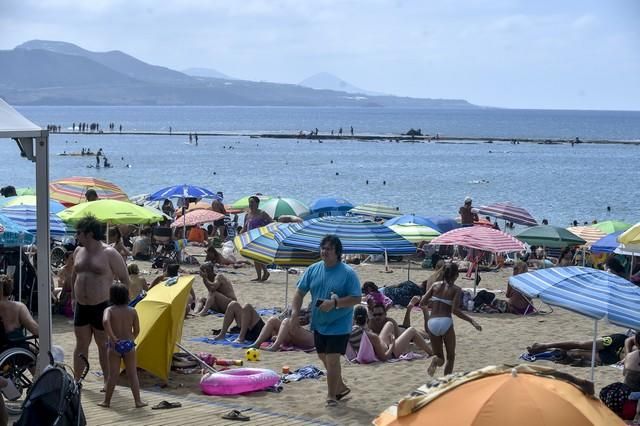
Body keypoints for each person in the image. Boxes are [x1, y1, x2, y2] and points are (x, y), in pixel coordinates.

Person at [290, 235, 361, 407]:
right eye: (323, 248)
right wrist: (294, 314)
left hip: (340, 324)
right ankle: (341, 386)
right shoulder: (313, 269)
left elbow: (357, 298)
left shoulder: (348, 273)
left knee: (332, 359)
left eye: (329, 249)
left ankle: (331, 396)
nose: (324, 251)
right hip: (319, 323)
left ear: (337, 252)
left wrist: (335, 303)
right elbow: (299, 293)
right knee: (322, 356)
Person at [72, 216, 131, 383]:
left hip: (102, 305)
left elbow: (125, 279)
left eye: (79, 232)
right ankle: (77, 380)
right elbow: (74, 275)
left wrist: (119, 305)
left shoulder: (109, 253)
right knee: (81, 344)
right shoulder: (78, 251)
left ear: (89, 233)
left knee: (103, 344)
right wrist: (71, 296)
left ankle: (107, 381)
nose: (77, 236)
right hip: (82, 305)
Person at [420, 263, 482, 376]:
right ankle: (446, 382)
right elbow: (455, 310)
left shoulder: (435, 285)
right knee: (451, 357)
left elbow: (422, 302)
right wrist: (471, 321)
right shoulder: (456, 290)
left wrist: (435, 303)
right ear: (456, 275)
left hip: (432, 322)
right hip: (445, 321)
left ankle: (435, 360)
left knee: (440, 358)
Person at [98, 283, 146, 408]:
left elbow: (105, 321)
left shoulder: (109, 310)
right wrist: (132, 339)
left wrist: (113, 337)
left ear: (112, 296)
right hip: (129, 344)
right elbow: (137, 329)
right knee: (132, 374)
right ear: (126, 296)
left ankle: (106, 401)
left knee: (113, 374)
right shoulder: (132, 311)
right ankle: (138, 401)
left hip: (115, 345)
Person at [349, 306, 432, 361]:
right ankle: (431, 353)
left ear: (354, 319)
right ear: (367, 318)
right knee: (412, 330)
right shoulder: (372, 336)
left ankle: (402, 344)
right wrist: (392, 345)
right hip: (389, 352)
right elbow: (385, 357)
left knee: (389, 324)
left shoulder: (351, 332)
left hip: (378, 345)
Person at [527, 333, 627, 366]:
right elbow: (631, 340)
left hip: (613, 357)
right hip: (619, 342)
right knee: (581, 344)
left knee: (577, 353)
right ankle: (545, 345)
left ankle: (546, 353)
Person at [247, 308, 314, 351]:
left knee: (287, 321)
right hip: (296, 336)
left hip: (312, 337)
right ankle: (256, 344)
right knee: (272, 320)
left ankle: (274, 347)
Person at [0, 275, 39, 342]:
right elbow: (36, 330)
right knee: (57, 350)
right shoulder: (18, 307)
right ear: (10, 289)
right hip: (15, 346)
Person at [243, 196, 273, 281]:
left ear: (257, 204)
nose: (250, 204)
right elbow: (245, 227)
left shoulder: (262, 213)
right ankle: (262, 274)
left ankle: (263, 274)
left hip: (260, 237)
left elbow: (271, 223)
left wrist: (265, 230)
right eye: (250, 202)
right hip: (250, 238)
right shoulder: (247, 215)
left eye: (252, 202)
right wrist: (239, 236)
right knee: (255, 257)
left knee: (256, 257)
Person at [55, 251, 75, 318]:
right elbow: (62, 284)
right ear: (66, 260)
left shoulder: (77, 269)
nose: (74, 260)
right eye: (72, 258)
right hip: (63, 291)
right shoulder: (62, 270)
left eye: (74, 258)